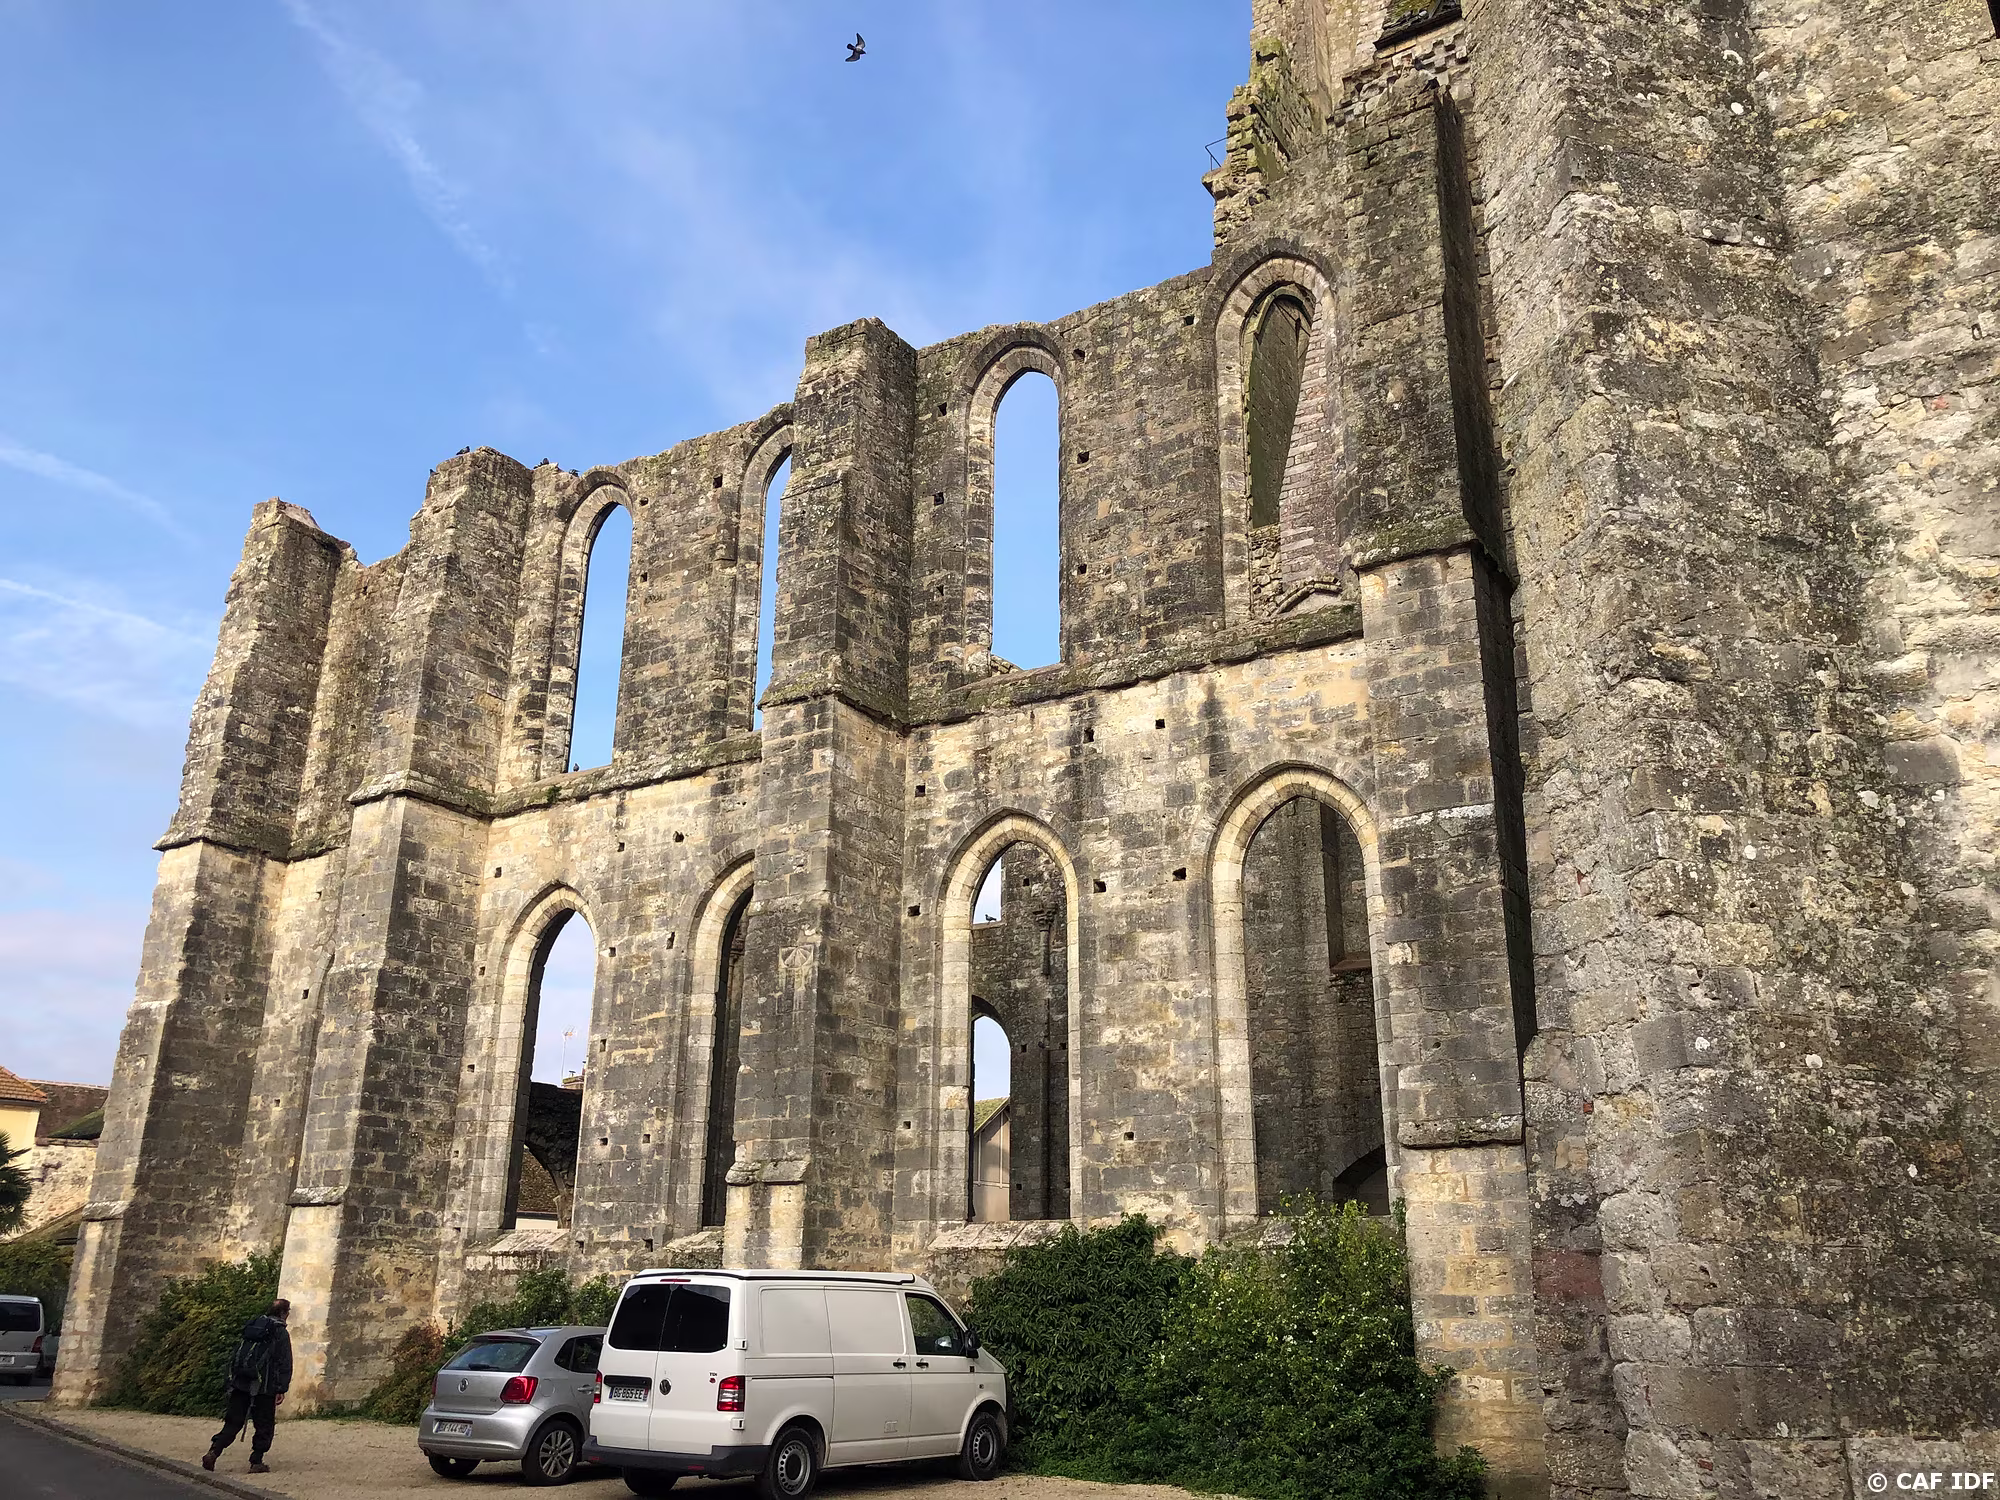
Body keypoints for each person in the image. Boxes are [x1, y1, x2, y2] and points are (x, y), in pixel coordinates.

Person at [201, 1298, 292, 1475]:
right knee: (264, 1424)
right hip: (265, 1385)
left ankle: (213, 1451)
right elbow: (285, 1361)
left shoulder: (254, 1325)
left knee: (233, 1422)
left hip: (241, 1382)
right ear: (284, 1313)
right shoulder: (280, 1332)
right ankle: (256, 1461)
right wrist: (282, 1388)